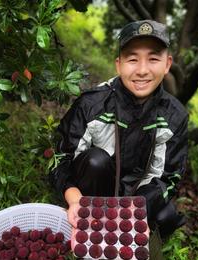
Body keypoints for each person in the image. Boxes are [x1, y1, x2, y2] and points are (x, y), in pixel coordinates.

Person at [50, 19, 188, 239]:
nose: (142, 70)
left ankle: (131, 250)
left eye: (153, 59)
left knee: (166, 217)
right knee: (96, 160)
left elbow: (168, 177)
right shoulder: (92, 104)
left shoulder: (175, 116)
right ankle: (88, 223)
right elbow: (61, 157)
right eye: (132, 59)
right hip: (96, 185)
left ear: (167, 64)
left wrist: (134, 210)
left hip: (137, 196)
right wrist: (74, 198)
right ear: (119, 64)